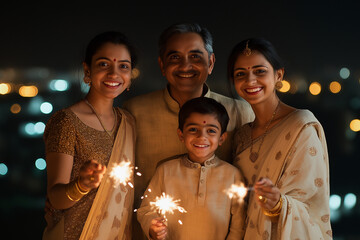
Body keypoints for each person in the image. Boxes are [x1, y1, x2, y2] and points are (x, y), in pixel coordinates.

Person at [122, 23, 254, 238]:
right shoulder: (134, 112)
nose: (185, 66)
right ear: (162, 64)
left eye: (195, 56)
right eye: (175, 57)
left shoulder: (240, 112)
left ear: (210, 62)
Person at [227, 37, 332, 239]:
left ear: (278, 75)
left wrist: (278, 204)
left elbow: (311, 202)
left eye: (260, 71)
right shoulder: (240, 135)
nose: (250, 81)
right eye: (241, 74)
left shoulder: (300, 125)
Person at [42, 31, 137, 240]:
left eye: (123, 66)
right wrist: (81, 185)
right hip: (76, 234)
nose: (114, 74)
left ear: (130, 75)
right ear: (87, 70)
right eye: (104, 64)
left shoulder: (129, 122)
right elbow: (55, 197)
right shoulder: (66, 121)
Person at [137, 97, 245, 240]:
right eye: (193, 129)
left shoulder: (232, 175)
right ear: (181, 135)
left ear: (221, 138)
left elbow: (239, 223)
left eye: (211, 131)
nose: (202, 137)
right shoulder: (166, 170)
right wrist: (152, 227)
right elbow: (146, 209)